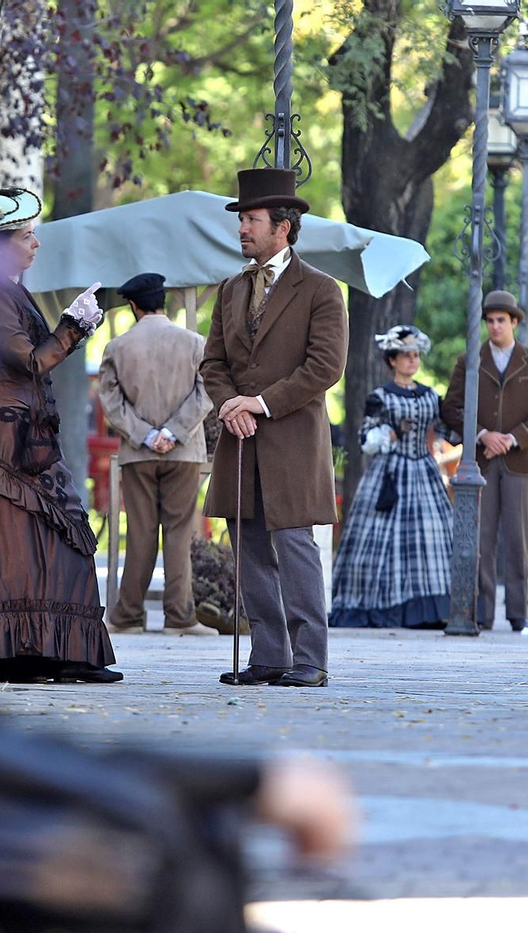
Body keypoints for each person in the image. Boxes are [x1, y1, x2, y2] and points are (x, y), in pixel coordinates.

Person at [0, 187, 121, 684]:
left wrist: (73, 327)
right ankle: (13, 653)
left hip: (24, 432)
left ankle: (57, 652)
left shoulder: (4, 286)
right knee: (11, 545)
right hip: (0, 440)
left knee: (51, 542)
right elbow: (27, 359)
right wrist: (72, 326)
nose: (35, 243)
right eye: (27, 235)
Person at [202, 168, 345, 687]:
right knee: (248, 545)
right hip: (239, 443)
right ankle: (270, 655)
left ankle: (311, 659)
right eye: (241, 219)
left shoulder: (322, 291)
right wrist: (230, 406)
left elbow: (325, 367)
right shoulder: (230, 289)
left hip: (291, 439)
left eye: (251, 219)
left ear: (283, 226)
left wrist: (259, 403)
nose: (242, 228)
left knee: (294, 544)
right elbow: (212, 363)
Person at [97, 272, 218, 637]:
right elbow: (207, 394)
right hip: (185, 452)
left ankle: (127, 616)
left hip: (137, 453)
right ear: (164, 303)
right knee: (179, 532)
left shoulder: (117, 347)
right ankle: (180, 618)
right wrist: (172, 433)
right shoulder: (196, 343)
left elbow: (111, 403)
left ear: (133, 306)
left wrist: (147, 435)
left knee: (140, 532)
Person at [439, 291, 528, 633]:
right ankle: (483, 612)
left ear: (514, 322)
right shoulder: (469, 361)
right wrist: (481, 434)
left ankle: (519, 613)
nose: (494, 327)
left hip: (519, 462)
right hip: (482, 462)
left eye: (501, 320)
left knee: (517, 540)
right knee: (481, 539)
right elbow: (451, 408)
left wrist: (513, 437)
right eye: (489, 321)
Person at [329, 325, 453, 630]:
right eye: (405, 356)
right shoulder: (380, 397)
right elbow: (365, 439)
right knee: (382, 540)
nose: (412, 360)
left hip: (424, 471)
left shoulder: (430, 396)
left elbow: (449, 431)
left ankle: (430, 609)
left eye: (415, 355)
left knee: (431, 535)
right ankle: (384, 606)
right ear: (392, 360)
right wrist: (393, 433)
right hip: (389, 475)